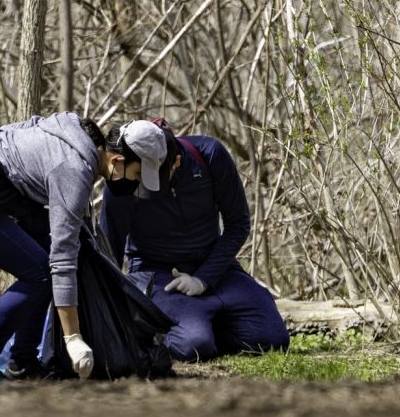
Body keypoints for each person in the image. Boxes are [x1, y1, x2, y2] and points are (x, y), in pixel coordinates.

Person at [0, 112, 167, 384]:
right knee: (41, 273)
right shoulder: (74, 169)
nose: (135, 184)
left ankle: (23, 362)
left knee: (40, 268)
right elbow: (62, 259)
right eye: (136, 175)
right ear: (117, 160)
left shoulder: (73, 128)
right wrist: (73, 338)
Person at [99, 120, 289, 361]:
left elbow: (238, 225)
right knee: (194, 346)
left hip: (216, 270)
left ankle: (205, 322)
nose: (142, 186)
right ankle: (187, 328)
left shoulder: (209, 156)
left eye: (153, 178)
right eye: (140, 177)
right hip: (157, 275)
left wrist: (203, 279)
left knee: (273, 339)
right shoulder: (124, 182)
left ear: (175, 162)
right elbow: (108, 250)